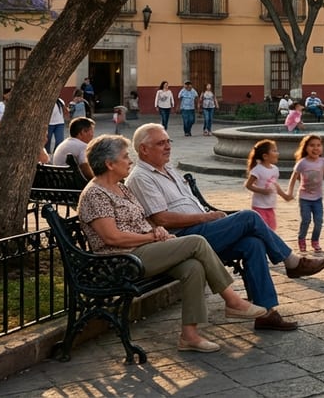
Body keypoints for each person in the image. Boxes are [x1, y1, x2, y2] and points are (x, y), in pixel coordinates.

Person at [125, 123, 324, 332]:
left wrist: (210, 218)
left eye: (169, 141)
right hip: (184, 239)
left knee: (253, 243)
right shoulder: (141, 177)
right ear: (144, 149)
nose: (168, 146)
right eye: (161, 143)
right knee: (249, 217)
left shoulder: (168, 169)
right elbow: (162, 219)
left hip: (203, 230)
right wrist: (206, 218)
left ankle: (266, 312)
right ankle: (292, 262)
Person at [79, 135, 267, 353]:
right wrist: (151, 237)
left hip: (143, 250)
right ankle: (233, 300)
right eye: (124, 157)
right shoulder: (95, 194)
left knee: (193, 267)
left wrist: (155, 231)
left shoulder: (121, 188)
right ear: (109, 164)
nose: (130, 160)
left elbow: (139, 222)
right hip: (121, 259)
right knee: (196, 242)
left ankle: (189, 336)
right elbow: (112, 238)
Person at [289, 134, 324, 253]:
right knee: (306, 220)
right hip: (304, 198)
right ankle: (301, 239)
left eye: (318, 145)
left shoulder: (323, 161)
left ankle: (315, 241)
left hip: (318, 198)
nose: (315, 148)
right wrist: (290, 191)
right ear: (305, 148)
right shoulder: (302, 162)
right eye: (312, 145)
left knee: (319, 221)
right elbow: (294, 177)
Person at [245, 139, 293, 230]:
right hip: (259, 206)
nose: (277, 153)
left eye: (276, 150)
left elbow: (274, 184)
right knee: (261, 228)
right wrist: (262, 191)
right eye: (274, 151)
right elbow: (248, 185)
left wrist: (284, 195)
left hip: (270, 205)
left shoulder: (275, 169)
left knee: (272, 228)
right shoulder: (257, 170)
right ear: (265, 156)